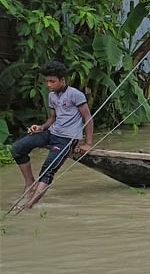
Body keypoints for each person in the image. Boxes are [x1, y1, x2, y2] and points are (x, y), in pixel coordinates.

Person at [11, 61, 94, 209]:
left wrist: (88, 143)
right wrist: (40, 127)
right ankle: (30, 182)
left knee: (47, 170)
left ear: (62, 80)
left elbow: (88, 118)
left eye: (52, 81)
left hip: (67, 139)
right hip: (51, 133)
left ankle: (28, 207)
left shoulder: (75, 95)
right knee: (17, 148)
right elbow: (52, 118)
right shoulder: (52, 96)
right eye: (47, 81)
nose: (49, 85)